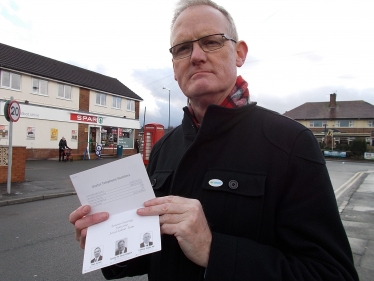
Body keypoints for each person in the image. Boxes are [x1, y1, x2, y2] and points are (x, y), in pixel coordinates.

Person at [69, 0, 359, 280]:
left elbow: (332, 272)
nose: (196, 55)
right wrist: (107, 241)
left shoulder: (291, 143)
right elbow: (155, 251)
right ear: (174, 66)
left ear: (239, 53)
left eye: (211, 41)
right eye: (183, 48)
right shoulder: (163, 148)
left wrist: (213, 250)